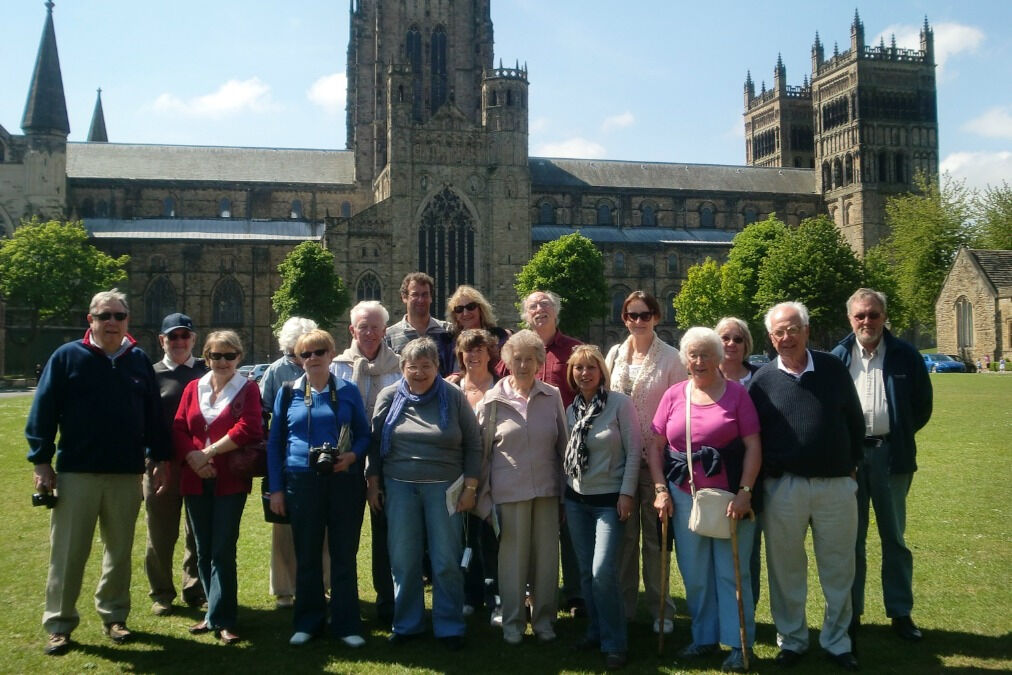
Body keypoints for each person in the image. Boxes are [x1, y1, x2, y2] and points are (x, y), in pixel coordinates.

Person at [26, 289, 170, 656]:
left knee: (119, 551)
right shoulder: (67, 357)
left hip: (126, 473)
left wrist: (160, 459)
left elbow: (154, 417)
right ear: (90, 319)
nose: (112, 322)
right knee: (69, 552)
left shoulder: (137, 360)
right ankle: (59, 624)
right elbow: (42, 412)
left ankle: (114, 616)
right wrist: (42, 461)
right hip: (77, 472)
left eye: (119, 316)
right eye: (104, 315)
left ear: (127, 321)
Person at [748, 301, 864, 671]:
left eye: (793, 329)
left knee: (839, 568)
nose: (786, 338)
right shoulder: (762, 380)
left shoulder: (832, 368)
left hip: (835, 487)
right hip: (785, 489)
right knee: (785, 569)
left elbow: (855, 423)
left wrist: (852, 467)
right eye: (779, 332)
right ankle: (793, 640)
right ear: (770, 336)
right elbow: (753, 437)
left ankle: (837, 641)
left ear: (807, 331)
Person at [647, 328, 761, 672]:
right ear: (685, 359)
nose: (699, 362)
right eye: (693, 355)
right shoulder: (673, 395)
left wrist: (745, 493)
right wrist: (660, 489)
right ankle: (704, 638)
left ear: (718, 357)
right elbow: (654, 446)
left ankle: (740, 643)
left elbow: (754, 446)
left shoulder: (737, 395)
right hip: (683, 497)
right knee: (695, 574)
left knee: (731, 573)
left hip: (728, 500)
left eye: (706, 354)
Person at [831, 288, 933, 646]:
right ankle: (852, 613)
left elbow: (922, 406)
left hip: (893, 457)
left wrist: (898, 434)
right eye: (860, 315)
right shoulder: (839, 356)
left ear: (884, 316)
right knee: (851, 541)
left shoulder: (906, 355)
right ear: (850, 318)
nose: (867, 321)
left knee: (895, 539)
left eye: (873, 314)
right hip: (851, 462)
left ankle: (900, 612)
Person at [366, 337, 482, 651]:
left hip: (445, 490)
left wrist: (471, 488)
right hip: (399, 487)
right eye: (412, 366)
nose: (419, 372)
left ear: (437, 367)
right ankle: (407, 624)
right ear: (402, 368)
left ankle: (449, 626)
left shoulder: (453, 396)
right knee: (404, 560)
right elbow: (375, 446)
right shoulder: (389, 397)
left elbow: (473, 445)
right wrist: (373, 484)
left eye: (426, 366)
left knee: (446, 560)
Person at [268, 329, 371, 647]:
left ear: (331, 354)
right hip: (301, 480)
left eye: (319, 352)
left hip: (343, 481)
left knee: (343, 554)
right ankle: (308, 622)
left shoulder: (349, 391)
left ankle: (346, 624)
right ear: (299, 359)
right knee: (308, 554)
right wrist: (277, 489)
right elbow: (274, 445)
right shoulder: (288, 392)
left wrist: (351, 456)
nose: (313, 358)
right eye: (306, 354)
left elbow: (366, 435)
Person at [476, 330, 567, 645]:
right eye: (518, 359)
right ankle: (513, 623)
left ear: (539, 362)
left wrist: (566, 495)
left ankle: (544, 621)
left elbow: (563, 447)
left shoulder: (552, 395)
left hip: (546, 491)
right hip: (508, 493)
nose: (524, 365)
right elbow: (482, 454)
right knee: (512, 562)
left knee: (545, 560)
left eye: (530, 359)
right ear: (507, 362)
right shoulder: (492, 400)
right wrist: (484, 501)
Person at [174, 330, 263, 645]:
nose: (222, 361)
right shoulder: (192, 388)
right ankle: (212, 612)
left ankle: (225, 617)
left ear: (239, 357)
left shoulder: (247, 388)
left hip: (230, 480)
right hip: (194, 478)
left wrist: (208, 453)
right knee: (203, 547)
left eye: (229, 355)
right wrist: (194, 459)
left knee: (223, 549)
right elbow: (179, 426)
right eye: (215, 355)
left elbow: (249, 427)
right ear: (206, 357)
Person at [605, 291, 686, 635]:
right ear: (623, 318)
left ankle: (661, 610)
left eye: (645, 315)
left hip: (655, 463)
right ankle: (624, 609)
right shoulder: (614, 354)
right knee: (623, 542)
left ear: (656, 316)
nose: (638, 321)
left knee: (656, 541)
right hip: (620, 464)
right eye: (631, 315)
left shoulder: (671, 357)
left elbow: (680, 410)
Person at [565, 345, 641, 670]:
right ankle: (595, 631)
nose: (585, 374)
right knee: (585, 574)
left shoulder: (620, 404)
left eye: (591, 368)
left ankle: (615, 642)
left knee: (602, 573)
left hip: (609, 502)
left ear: (601, 371)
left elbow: (635, 452)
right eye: (579, 368)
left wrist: (626, 494)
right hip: (576, 501)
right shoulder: (571, 410)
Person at [331, 300, 401, 625]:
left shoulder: (400, 367)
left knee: (385, 540)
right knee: (345, 539)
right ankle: (346, 606)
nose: (370, 333)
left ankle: (387, 605)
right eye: (364, 327)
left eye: (375, 327)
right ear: (352, 330)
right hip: (346, 465)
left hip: (387, 465)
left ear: (385, 331)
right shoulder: (336, 368)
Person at [520, 289, 585, 615]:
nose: (539, 310)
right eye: (533, 306)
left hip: (571, 454)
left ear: (556, 311)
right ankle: (532, 593)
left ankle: (576, 595)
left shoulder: (574, 350)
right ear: (525, 315)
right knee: (533, 527)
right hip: (530, 454)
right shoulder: (517, 352)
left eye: (545, 305)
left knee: (571, 526)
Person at [146, 312, 207, 616]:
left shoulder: (206, 371)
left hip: (198, 464)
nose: (179, 342)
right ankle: (161, 592)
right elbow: (144, 421)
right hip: (162, 465)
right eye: (173, 337)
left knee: (196, 532)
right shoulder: (151, 373)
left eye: (185, 336)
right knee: (161, 532)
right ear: (162, 340)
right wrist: (153, 458)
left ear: (194, 339)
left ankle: (194, 589)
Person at [260, 316, 320, 609]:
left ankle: (320, 585)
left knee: (319, 528)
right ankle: (284, 588)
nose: (307, 353)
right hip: (286, 459)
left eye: (312, 346)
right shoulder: (276, 372)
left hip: (318, 463)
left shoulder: (323, 367)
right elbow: (263, 413)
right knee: (283, 527)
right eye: (301, 346)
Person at [449, 328, 502, 620]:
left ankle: (495, 599)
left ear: (489, 354)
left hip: (492, 474)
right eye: (468, 350)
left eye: (479, 350)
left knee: (491, 539)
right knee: (464, 538)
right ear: (461, 354)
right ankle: (469, 594)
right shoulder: (452, 389)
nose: (474, 356)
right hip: (459, 475)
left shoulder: (500, 388)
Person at [715, 316, 762, 612]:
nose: (731, 344)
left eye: (738, 338)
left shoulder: (761, 379)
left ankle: (748, 611)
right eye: (725, 338)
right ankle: (719, 612)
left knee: (748, 550)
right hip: (713, 477)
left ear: (747, 345)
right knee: (713, 547)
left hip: (753, 475)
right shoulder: (703, 377)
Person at [385, 272, 451, 373]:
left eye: (425, 295)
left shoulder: (447, 330)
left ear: (431, 298)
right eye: (415, 295)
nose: (420, 300)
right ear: (404, 297)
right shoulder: (389, 336)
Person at [441, 285, 511, 377]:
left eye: (471, 307)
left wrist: (460, 375)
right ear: (455, 315)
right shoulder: (447, 342)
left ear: (480, 309)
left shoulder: (500, 337)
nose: (465, 313)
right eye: (459, 309)